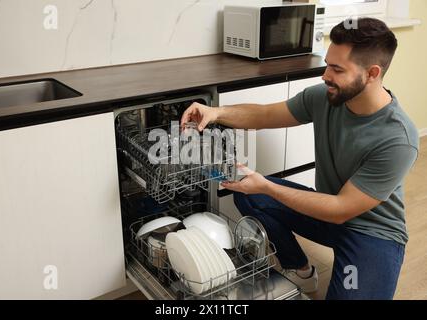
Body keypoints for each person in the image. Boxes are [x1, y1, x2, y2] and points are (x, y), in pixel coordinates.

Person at [180, 18, 419, 300]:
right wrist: (217, 113)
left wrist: (267, 186)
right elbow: (265, 115)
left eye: (337, 69)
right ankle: (301, 270)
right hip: (327, 213)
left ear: (372, 73)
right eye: (328, 63)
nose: (325, 75)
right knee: (250, 195)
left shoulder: (398, 138)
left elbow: (342, 208)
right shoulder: (326, 97)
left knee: (262, 190)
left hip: (372, 233)